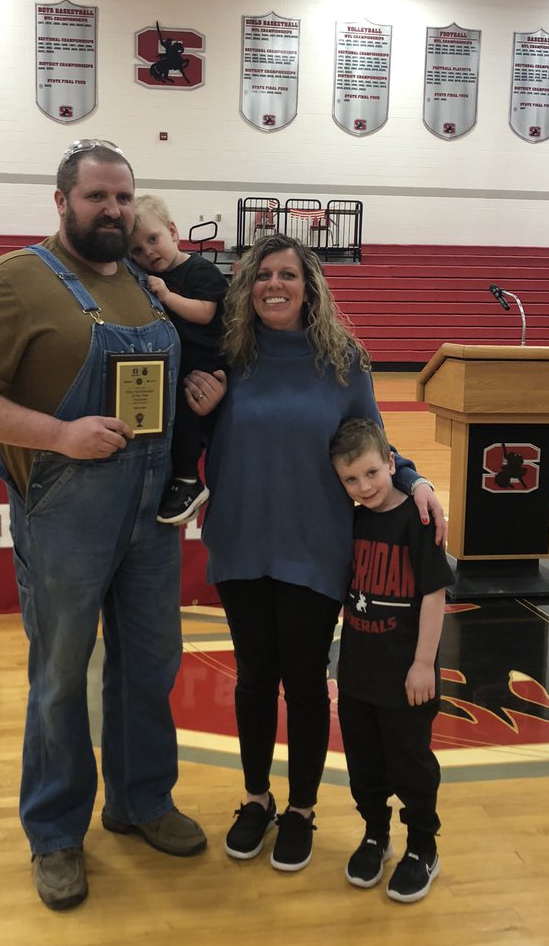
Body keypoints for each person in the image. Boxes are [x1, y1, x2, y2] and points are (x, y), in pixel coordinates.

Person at [0, 139, 206, 913]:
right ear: (62, 203)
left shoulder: (150, 291)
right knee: (58, 680)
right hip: (66, 513)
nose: (112, 210)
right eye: (96, 198)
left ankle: (141, 800)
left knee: (150, 667)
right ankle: (54, 834)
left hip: (148, 513)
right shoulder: (16, 280)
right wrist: (57, 436)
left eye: (123, 198)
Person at [182, 234, 446, 873]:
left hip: (313, 547)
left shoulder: (343, 362)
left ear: (310, 285)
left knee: (303, 684)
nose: (275, 285)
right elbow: (193, 436)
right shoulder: (229, 359)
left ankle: (300, 808)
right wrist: (206, 415)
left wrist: (414, 480)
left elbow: (371, 442)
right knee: (251, 681)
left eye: (288, 275)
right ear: (248, 287)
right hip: (242, 542)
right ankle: (255, 798)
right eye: (262, 275)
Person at [330, 417, 455, 903]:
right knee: (365, 765)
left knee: (411, 765)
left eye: (371, 473)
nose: (364, 487)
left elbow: (433, 594)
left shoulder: (418, 519)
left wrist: (424, 664)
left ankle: (423, 846)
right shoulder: (352, 516)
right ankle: (375, 834)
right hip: (359, 671)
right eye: (351, 479)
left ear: (391, 463)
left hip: (408, 676)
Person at [128, 194, 227, 525]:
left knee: (188, 420)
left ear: (173, 232)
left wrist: (167, 296)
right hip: (178, 364)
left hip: (207, 364)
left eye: (153, 239)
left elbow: (205, 312)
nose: (148, 252)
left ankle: (189, 480)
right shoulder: (151, 278)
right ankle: (174, 476)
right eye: (137, 250)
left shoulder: (200, 269)